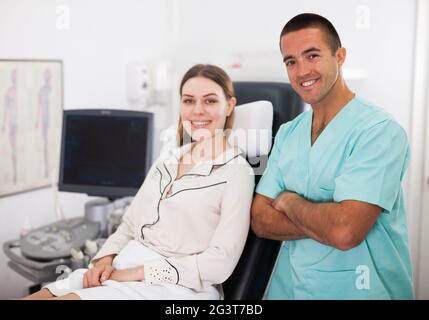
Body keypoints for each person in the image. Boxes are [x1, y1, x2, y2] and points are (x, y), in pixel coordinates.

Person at [23, 64, 255, 300]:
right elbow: (130, 223)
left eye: (209, 101)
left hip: (177, 287)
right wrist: (104, 260)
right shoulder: (169, 157)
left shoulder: (237, 173)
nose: (197, 111)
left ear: (230, 106)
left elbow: (220, 264)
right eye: (188, 101)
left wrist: (136, 273)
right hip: (122, 268)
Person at [251, 13, 414, 299]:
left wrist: (289, 201)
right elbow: (261, 220)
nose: (301, 71)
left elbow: (345, 232)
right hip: (292, 289)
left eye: (312, 55)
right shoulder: (288, 133)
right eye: (291, 61)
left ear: (340, 56)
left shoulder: (379, 132)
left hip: (362, 290)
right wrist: (326, 220)